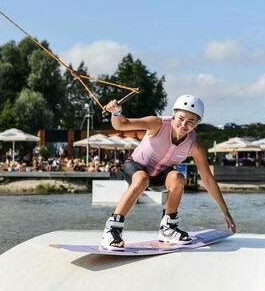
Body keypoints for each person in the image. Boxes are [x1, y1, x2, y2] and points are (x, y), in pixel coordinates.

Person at [100, 94, 236, 250]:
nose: (184, 124)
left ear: (197, 123)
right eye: (181, 118)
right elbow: (121, 124)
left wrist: (225, 211)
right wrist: (116, 112)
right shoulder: (157, 124)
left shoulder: (194, 146)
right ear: (173, 115)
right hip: (135, 168)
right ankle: (112, 230)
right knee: (142, 178)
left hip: (160, 177)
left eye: (191, 121)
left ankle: (168, 228)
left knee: (178, 177)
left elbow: (208, 179)